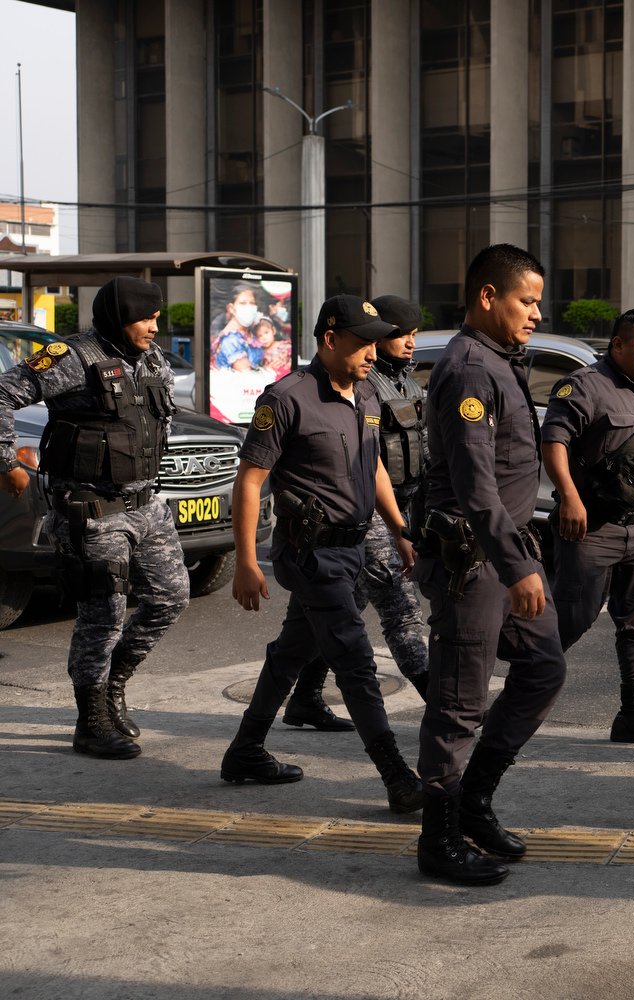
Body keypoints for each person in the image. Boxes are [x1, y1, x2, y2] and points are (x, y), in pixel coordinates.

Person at [220, 295, 424, 816]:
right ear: (330, 340)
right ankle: (398, 776)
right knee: (356, 662)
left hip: (353, 546)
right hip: (310, 554)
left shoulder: (366, 397)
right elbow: (251, 480)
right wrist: (245, 561)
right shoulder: (286, 398)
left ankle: (245, 751)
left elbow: (374, 465)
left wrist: (399, 529)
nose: (373, 354)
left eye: (376, 343)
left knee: (291, 652)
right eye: (362, 343)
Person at [413, 244, 567, 886]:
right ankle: (438, 838)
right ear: (486, 297)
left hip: (501, 554)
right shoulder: (472, 368)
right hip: (473, 561)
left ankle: (473, 800)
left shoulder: (501, 362)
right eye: (525, 301)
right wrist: (516, 565)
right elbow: (476, 484)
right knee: (458, 703)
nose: (535, 313)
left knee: (542, 666)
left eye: (537, 302)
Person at [0, 277, 189, 759]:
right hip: (92, 510)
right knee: (101, 615)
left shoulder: (151, 359)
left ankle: (114, 684)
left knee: (170, 596)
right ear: (117, 317)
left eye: (156, 318)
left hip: (147, 505)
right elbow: (2, 395)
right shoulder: (71, 356)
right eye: (145, 319)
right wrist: (6, 464)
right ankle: (91, 721)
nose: (153, 327)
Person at [281, 295, 432, 732]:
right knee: (400, 610)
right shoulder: (359, 389)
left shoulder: (407, 384)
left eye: (413, 334)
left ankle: (304, 698)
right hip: (359, 517)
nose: (409, 342)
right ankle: (438, 700)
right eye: (401, 334)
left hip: (397, 512)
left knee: (322, 621)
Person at [542, 308, 634, 743]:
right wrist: (570, 498)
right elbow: (554, 441)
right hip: (592, 528)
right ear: (618, 345)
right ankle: (521, 697)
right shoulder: (585, 385)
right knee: (570, 619)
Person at [212, 284, 263, 372]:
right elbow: (246, 373)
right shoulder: (231, 340)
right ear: (231, 308)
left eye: (252, 303)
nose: (248, 307)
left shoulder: (248, 333)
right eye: (243, 303)